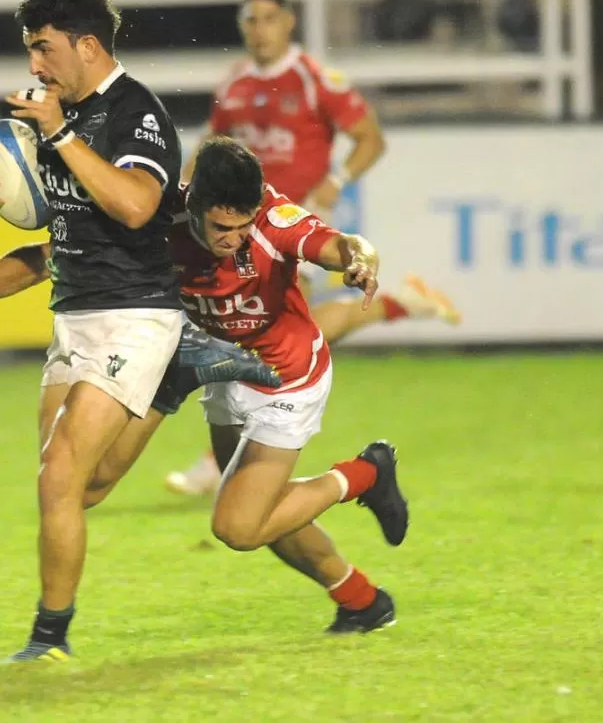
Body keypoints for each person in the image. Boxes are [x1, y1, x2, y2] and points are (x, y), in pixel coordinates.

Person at [0, 0, 279, 663]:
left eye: (43, 48)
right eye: (30, 51)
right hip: (74, 318)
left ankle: (47, 641)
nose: (34, 65)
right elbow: (51, 239)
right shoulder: (59, 117)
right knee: (76, 488)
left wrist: (55, 132)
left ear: (87, 45)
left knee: (59, 475)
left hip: (135, 316)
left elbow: (136, 206)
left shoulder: (136, 114)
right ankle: (176, 383)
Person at [84, 137, 408, 634]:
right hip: (224, 372)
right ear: (193, 204)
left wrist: (361, 261)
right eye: (220, 227)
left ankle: (365, 474)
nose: (233, 239)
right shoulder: (159, 217)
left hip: (287, 382)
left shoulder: (273, 222)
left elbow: (342, 246)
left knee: (237, 526)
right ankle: (361, 601)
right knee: (263, 512)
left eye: (241, 227)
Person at [166, 0, 460, 494]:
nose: (259, 29)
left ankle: (223, 461)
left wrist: (336, 182)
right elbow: (210, 152)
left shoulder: (314, 78)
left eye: (268, 18)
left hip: (290, 224)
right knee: (280, 329)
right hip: (244, 227)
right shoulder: (234, 83)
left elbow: (371, 137)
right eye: (250, 20)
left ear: (289, 21)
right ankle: (401, 304)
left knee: (269, 331)